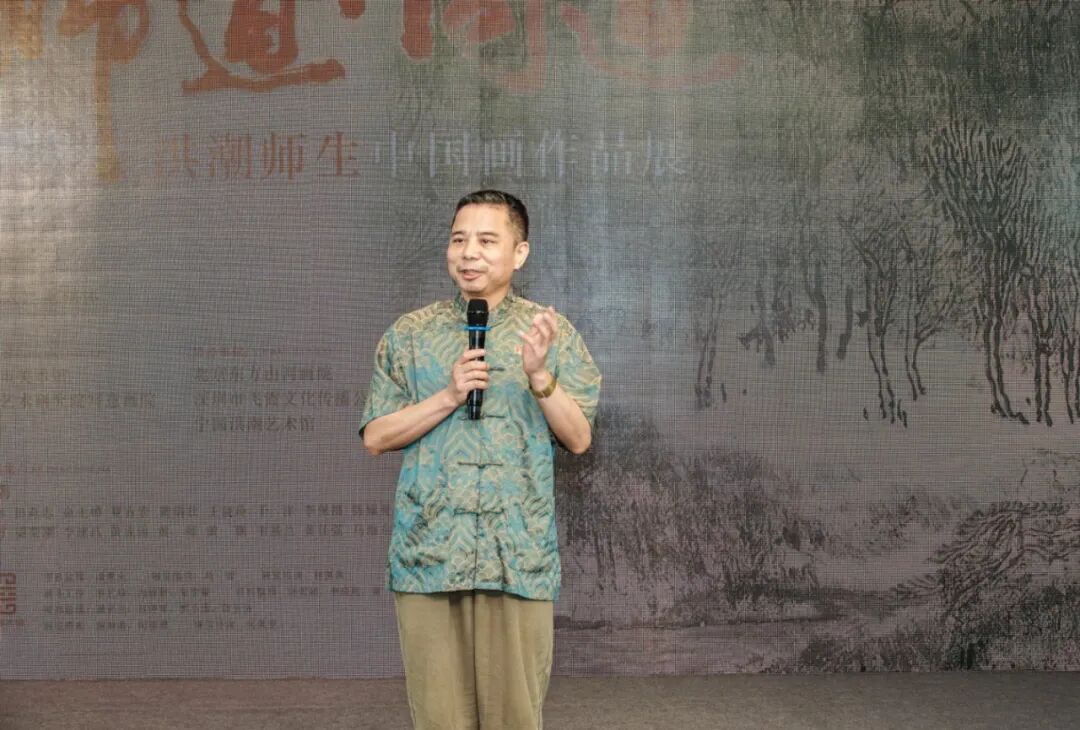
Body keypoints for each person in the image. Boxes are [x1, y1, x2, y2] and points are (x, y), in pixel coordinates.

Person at [359, 190, 601, 729]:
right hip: (430, 553)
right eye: (458, 239)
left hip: (517, 554)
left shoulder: (550, 334)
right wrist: (448, 396)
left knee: (515, 716)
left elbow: (579, 438)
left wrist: (539, 375)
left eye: (487, 241)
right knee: (439, 717)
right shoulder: (410, 335)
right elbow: (376, 436)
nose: (469, 253)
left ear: (520, 253)